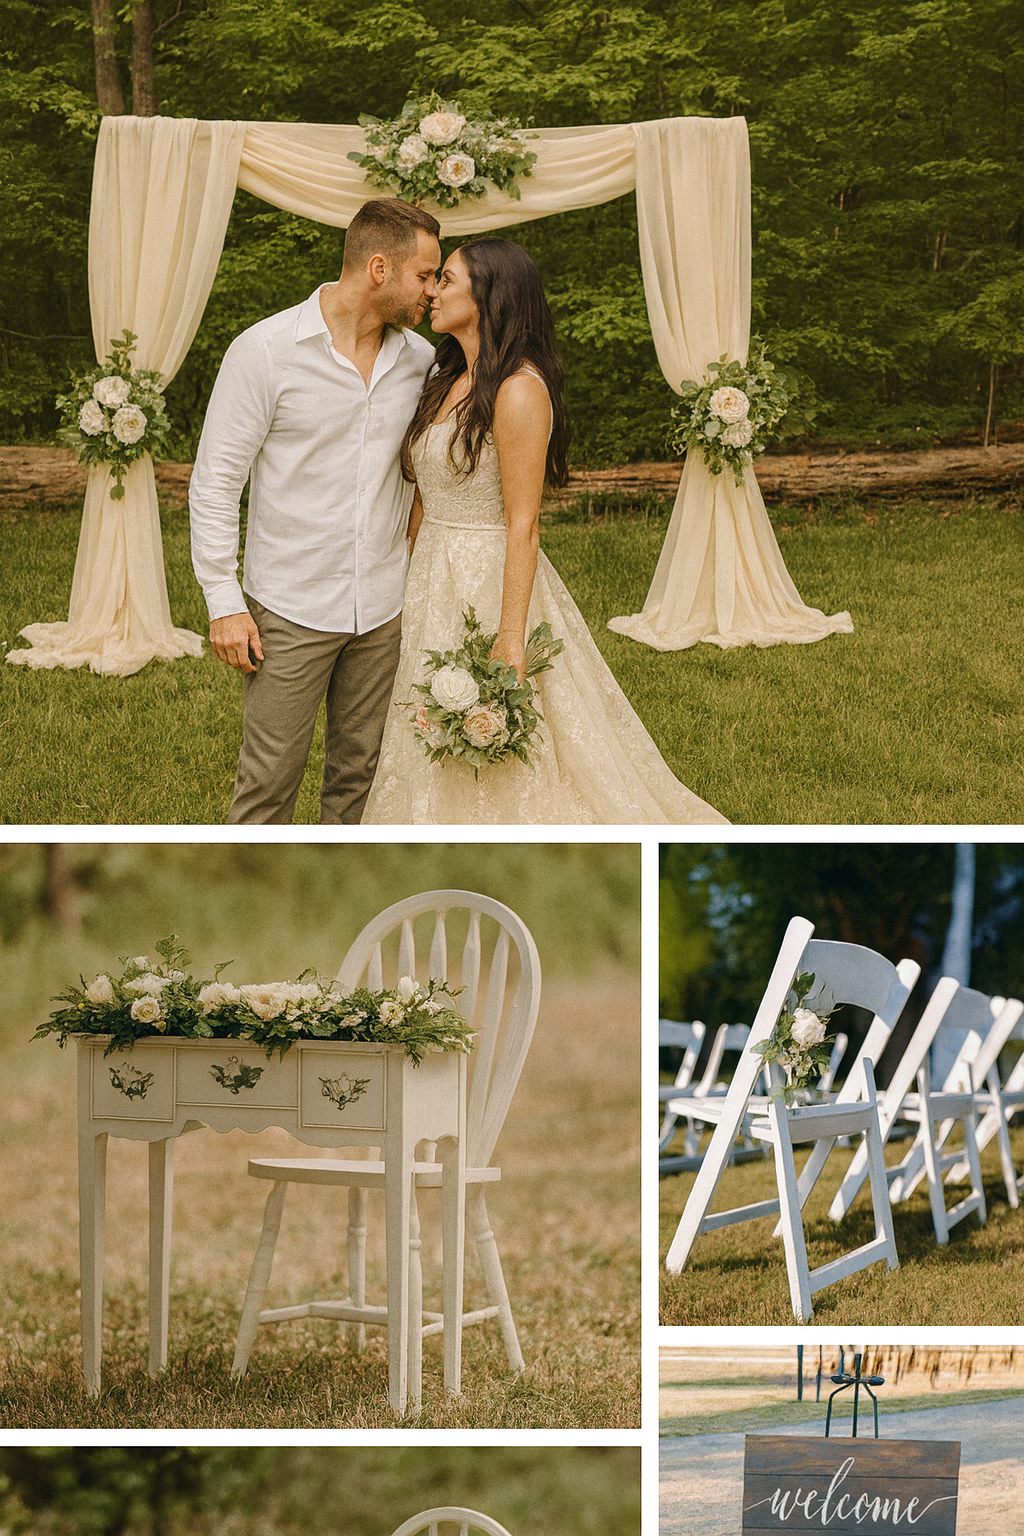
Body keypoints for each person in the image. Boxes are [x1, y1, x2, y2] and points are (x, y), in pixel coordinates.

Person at [363, 239, 729, 824]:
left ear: (488, 296)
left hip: (489, 575)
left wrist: (510, 637)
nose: (432, 291)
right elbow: (424, 495)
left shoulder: (519, 390)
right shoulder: (446, 377)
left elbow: (523, 522)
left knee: (498, 713)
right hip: (432, 574)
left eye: (447, 280)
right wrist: (407, 576)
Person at [189, 199, 441, 823]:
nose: (433, 291)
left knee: (361, 783)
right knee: (268, 784)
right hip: (290, 606)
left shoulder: (420, 361)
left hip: (384, 606)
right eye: (424, 275)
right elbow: (217, 482)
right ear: (379, 268)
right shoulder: (264, 351)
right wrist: (223, 601)